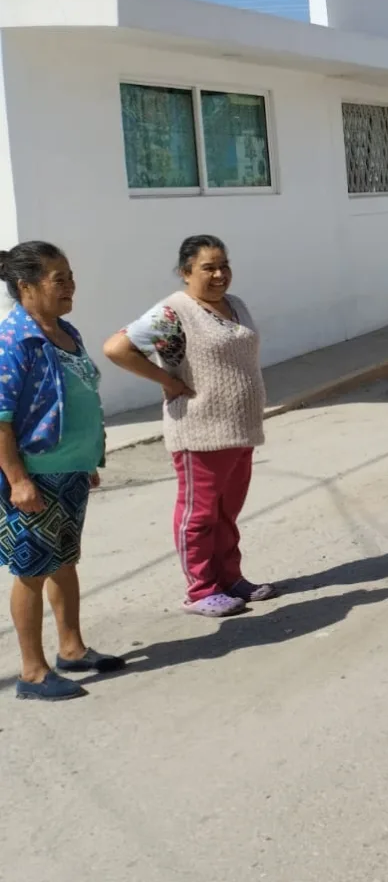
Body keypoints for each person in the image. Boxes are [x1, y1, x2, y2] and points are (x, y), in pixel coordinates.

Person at [104, 235, 274, 618]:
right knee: (199, 516)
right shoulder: (173, 312)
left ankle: (230, 578)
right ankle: (201, 590)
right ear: (185, 272)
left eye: (224, 265)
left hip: (241, 428)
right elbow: (117, 348)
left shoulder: (236, 305)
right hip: (200, 431)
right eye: (207, 268)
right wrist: (167, 381)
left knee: (227, 514)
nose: (219, 274)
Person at [0, 242, 123, 701]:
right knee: (31, 569)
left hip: (69, 471)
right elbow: (0, 419)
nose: (70, 285)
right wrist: (17, 481)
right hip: (34, 477)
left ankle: (72, 647)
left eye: (70, 275)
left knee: (64, 560)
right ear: (25, 286)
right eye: (59, 279)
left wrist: (86, 460)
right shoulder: (13, 340)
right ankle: (32, 672)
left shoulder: (64, 330)